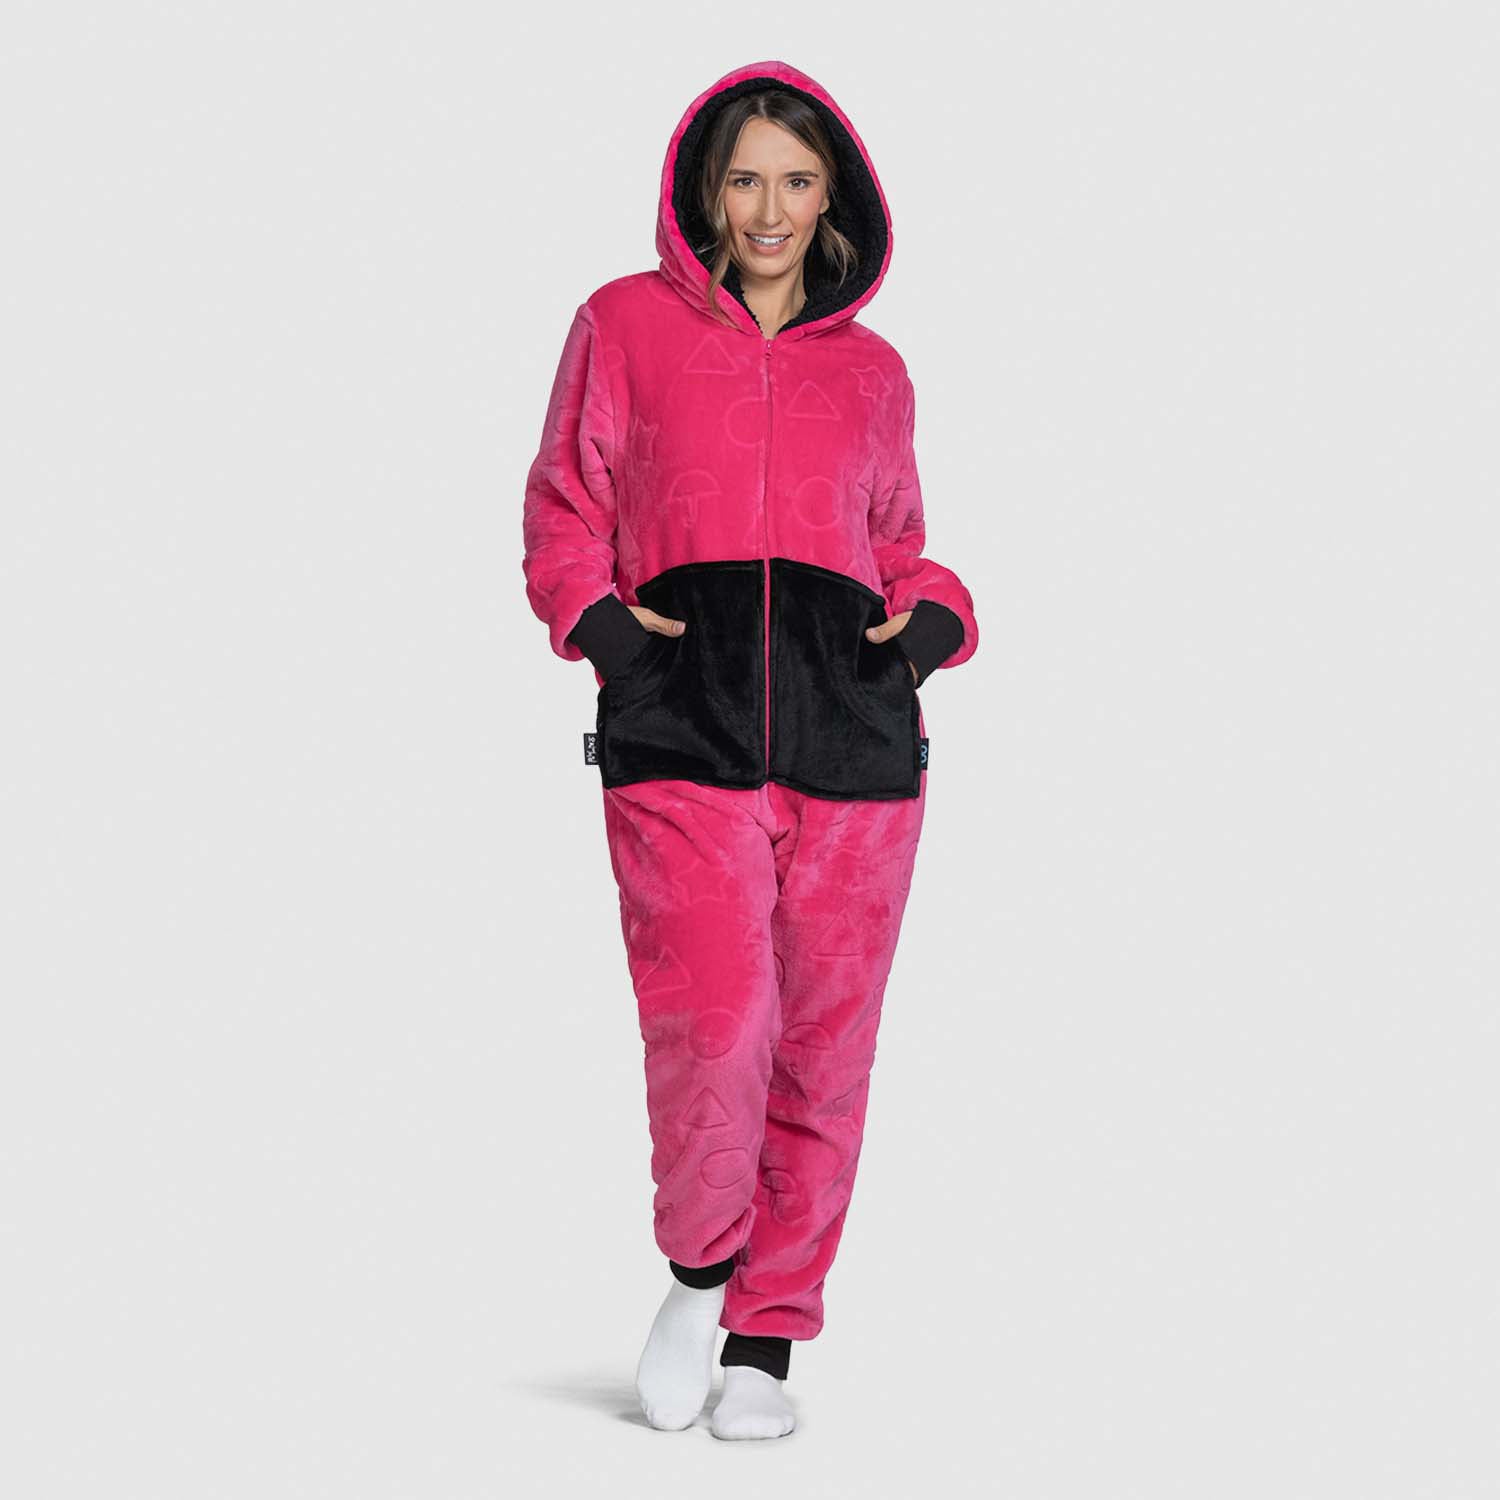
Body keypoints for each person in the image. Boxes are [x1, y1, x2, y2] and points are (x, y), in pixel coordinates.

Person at [521, 58, 979, 1440]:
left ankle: (767, 1344)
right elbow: (563, 505)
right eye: (744, 180)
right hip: (682, 729)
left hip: (857, 747)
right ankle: (697, 1274)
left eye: (796, 181)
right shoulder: (623, 323)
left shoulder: (875, 371)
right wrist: (612, 637)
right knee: (717, 1025)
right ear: (702, 193)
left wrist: (933, 623)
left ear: (833, 196)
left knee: (824, 1052)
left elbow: (898, 543)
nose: (770, 211)